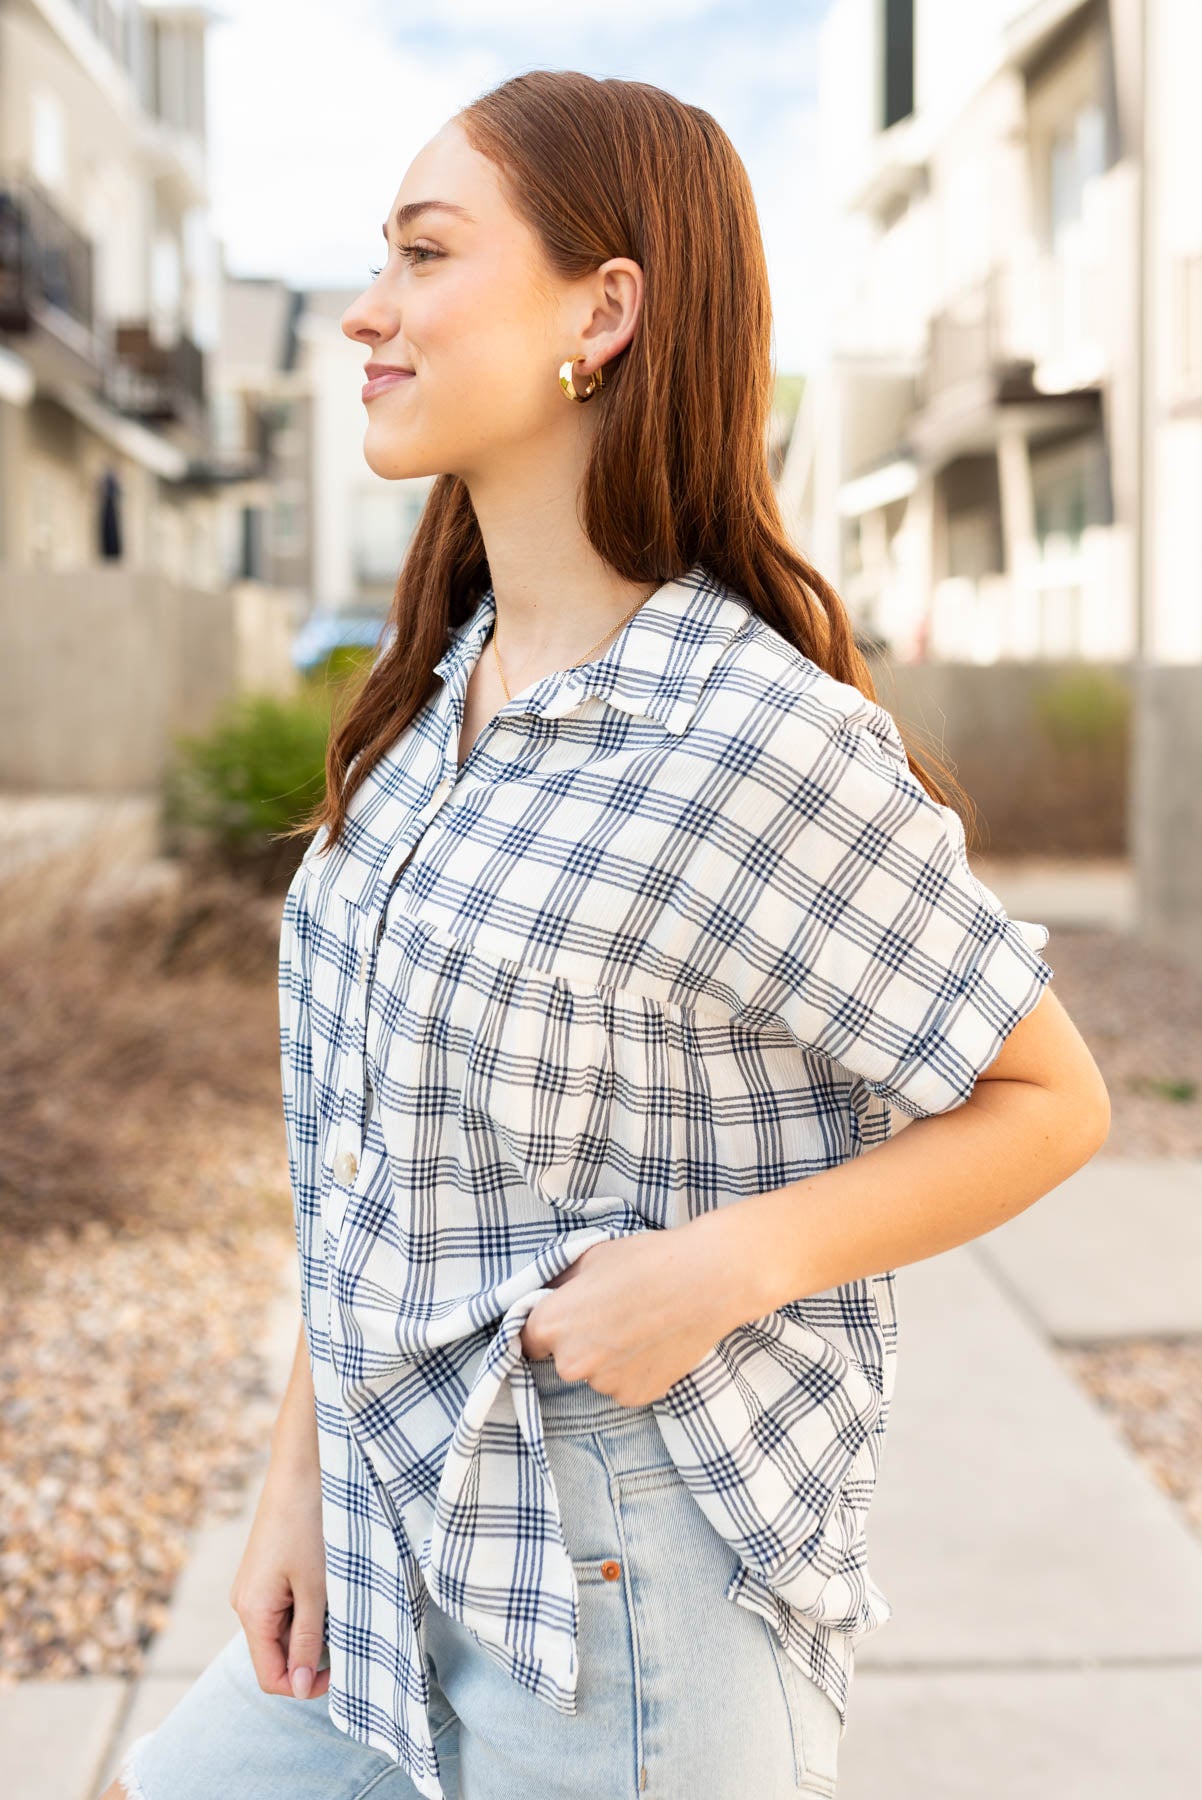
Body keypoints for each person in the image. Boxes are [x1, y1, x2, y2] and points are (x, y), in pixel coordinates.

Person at [107, 68, 1111, 1800]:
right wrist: (299, 1481)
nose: (368, 309)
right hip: (391, 1526)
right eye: (380, 260)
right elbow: (372, 1154)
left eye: (426, 256)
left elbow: (1050, 1100)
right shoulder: (436, 699)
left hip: (634, 1593)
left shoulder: (750, 737)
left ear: (605, 308)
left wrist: (727, 1266)